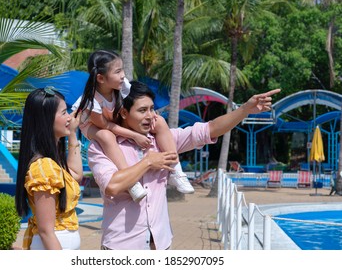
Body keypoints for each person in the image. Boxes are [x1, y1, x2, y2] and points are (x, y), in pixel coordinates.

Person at [88, 81, 280, 250]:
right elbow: (112, 186)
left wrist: (244, 109)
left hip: (161, 244)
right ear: (123, 112)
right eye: (142, 110)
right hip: (122, 247)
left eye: (152, 109)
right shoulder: (103, 146)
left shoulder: (163, 140)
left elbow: (211, 128)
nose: (150, 116)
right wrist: (147, 162)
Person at [72, 49, 194, 203]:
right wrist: (134, 135)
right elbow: (106, 126)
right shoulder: (92, 101)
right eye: (117, 71)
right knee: (106, 136)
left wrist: (150, 113)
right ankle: (131, 183)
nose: (123, 75)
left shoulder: (122, 86)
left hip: (112, 121)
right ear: (101, 78)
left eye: (122, 69)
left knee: (159, 121)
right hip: (91, 126)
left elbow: (129, 107)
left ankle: (176, 170)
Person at [15, 87, 83, 250]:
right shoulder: (43, 167)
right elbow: (46, 231)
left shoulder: (52, 160)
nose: (69, 117)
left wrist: (72, 134)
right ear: (46, 120)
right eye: (64, 112)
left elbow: (75, 175)